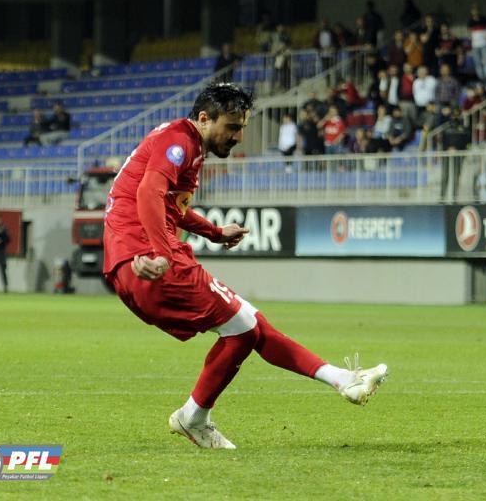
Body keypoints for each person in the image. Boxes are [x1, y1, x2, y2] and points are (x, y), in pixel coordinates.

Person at [102, 83, 388, 449]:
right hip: (149, 259)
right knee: (243, 329)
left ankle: (343, 379)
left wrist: (214, 232)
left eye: (242, 128)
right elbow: (148, 193)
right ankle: (193, 418)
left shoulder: (185, 144)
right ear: (204, 118)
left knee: (249, 320)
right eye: (233, 127)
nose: (238, 137)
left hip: (133, 260)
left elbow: (171, 206)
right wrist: (161, 254)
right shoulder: (180, 142)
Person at [439, 107, 470, 202]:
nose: (455, 117)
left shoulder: (464, 129)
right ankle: (442, 197)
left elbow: (466, 142)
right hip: (447, 154)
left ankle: (454, 197)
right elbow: (443, 141)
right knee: (445, 176)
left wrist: (457, 148)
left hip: (459, 155)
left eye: (457, 115)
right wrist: (448, 148)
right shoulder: (446, 128)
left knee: (456, 177)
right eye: (453, 115)